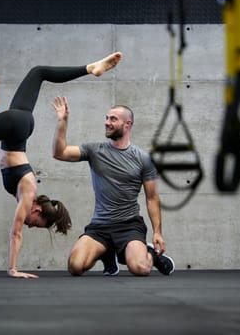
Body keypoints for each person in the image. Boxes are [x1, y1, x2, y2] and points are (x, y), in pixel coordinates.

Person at [0, 52, 123, 278]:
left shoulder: (28, 189)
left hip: (22, 123)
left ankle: (92, 68)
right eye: (36, 223)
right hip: (14, 125)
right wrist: (12, 269)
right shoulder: (28, 193)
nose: (30, 225)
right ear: (37, 210)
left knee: (38, 72)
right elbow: (16, 233)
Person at [51, 92, 175, 276]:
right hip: (100, 226)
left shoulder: (143, 159)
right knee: (75, 266)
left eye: (113, 119)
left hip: (129, 226)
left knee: (140, 268)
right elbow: (59, 153)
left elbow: (152, 198)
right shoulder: (94, 150)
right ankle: (107, 253)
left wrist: (157, 232)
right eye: (107, 118)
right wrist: (62, 122)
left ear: (127, 124)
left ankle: (149, 253)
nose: (107, 122)